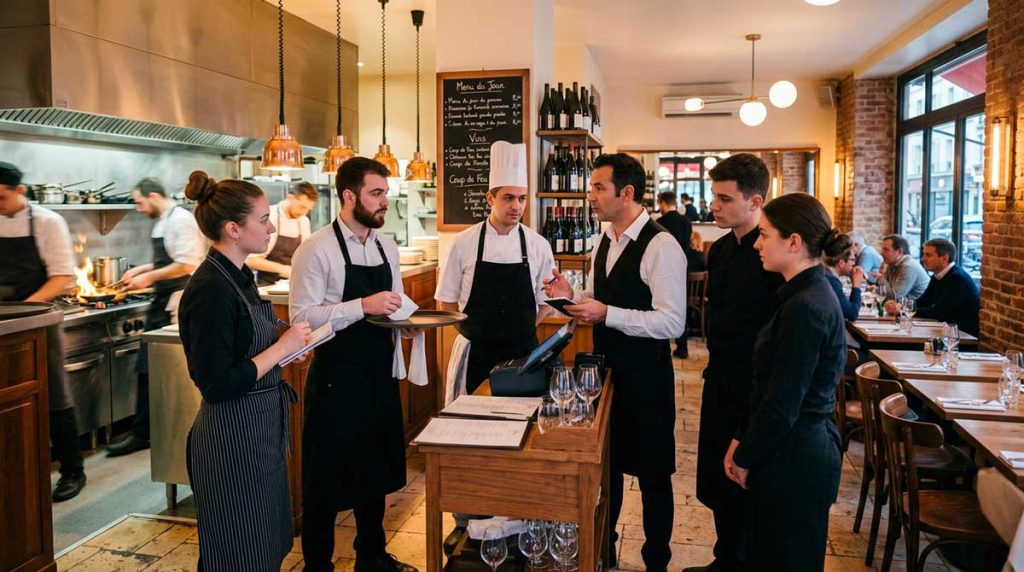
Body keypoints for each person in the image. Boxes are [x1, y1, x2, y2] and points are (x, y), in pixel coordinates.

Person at [546, 153, 687, 571]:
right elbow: (603, 295)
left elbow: (672, 322)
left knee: (653, 477)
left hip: (646, 378)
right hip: (606, 376)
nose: (590, 196)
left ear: (627, 193)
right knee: (606, 470)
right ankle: (603, 553)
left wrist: (607, 313)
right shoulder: (603, 239)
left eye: (598, 188)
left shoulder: (661, 246)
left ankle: (656, 562)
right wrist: (573, 294)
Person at [178, 172, 312, 571]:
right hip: (231, 439)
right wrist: (280, 349)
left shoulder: (239, 277)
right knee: (237, 554)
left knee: (265, 546)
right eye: (263, 219)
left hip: (260, 431)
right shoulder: (209, 289)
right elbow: (217, 384)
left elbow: (249, 346)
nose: (271, 227)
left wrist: (286, 349)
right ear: (233, 229)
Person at [290, 157, 418, 572]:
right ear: (349, 196)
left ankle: (372, 556)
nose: (385, 201)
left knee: (375, 473)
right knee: (324, 482)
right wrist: (361, 306)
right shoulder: (316, 249)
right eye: (376, 193)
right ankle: (317, 564)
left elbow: (395, 304)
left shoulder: (386, 246)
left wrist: (408, 325)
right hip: (334, 381)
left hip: (378, 377)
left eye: (385, 192)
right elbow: (302, 318)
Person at [723, 192, 846, 570]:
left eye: (765, 235)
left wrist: (746, 453)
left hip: (796, 459)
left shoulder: (807, 306)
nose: (757, 244)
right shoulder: (802, 294)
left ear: (794, 242)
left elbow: (783, 401)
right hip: (789, 450)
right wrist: (742, 437)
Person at [689, 153, 783, 572]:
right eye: (715, 196)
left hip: (755, 384)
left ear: (755, 201)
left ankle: (743, 561)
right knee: (714, 476)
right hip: (720, 376)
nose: (715, 205)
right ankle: (724, 556)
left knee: (745, 477)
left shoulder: (774, 259)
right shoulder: (722, 250)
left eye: (725, 198)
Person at [436, 141, 555, 397]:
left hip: (523, 355)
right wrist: (476, 333)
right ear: (490, 198)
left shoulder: (538, 245)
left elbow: (545, 301)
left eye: (522, 198)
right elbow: (446, 304)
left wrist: (521, 330)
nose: (517, 206)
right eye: (508, 198)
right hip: (476, 354)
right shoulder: (463, 243)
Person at [0, 161, 86, 501]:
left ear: (20, 191)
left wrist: (23, 313)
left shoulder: (48, 222)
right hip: (4, 321)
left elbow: (62, 276)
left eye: (2, 197)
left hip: (37, 320)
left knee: (55, 394)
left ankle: (72, 470)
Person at [108, 178, 205, 457]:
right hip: (160, 301)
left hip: (175, 303)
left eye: (139, 202)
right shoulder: (165, 219)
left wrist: (149, 276)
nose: (139, 209)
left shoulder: (181, 220)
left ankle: (147, 433)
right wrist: (140, 271)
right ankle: (145, 431)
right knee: (148, 369)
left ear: (153, 195)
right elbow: (169, 260)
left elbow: (187, 264)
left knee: (159, 370)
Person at [886, 237, 980, 336]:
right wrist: (899, 306)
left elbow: (939, 312)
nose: (923, 259)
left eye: (928, 255)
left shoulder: (957, 278)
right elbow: (923, 302)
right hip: (943, 331)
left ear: (944, 258)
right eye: (923, 254)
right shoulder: (938, 276)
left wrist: (902, 310)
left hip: (960, 336)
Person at [247, 182, 316, 286]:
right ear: (291, 198)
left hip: (293, 285)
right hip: (267, 286)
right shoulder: (268, 217)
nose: (304, 213)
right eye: (302, 207)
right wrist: (282, 269)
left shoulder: (303, 221)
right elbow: (250, 260)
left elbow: (307, 256)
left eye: (308, 209)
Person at [655, 191, 695, 359]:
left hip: (661, 270)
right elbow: (688, 245)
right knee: (680, 306)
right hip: (683, 268)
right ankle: (682, 345)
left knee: (659, 307)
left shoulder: (659, 223)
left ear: (663, 203)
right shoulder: (686, 222)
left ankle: (660, 345)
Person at [878, 234, 929, 303]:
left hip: (917, 311)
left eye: (886, 250)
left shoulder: (909, 267)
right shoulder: (891, 264)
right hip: (902, 309)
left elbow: (893, 298)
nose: (881, 253)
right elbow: (885, 293)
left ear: (899, 252)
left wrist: (881, 277)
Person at [824, 234, 864, 322]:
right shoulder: (831, 280)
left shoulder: (827, 274)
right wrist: (856, 286)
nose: (854, 264)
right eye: (852, 260)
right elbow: (851, 313)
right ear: (841, 263)